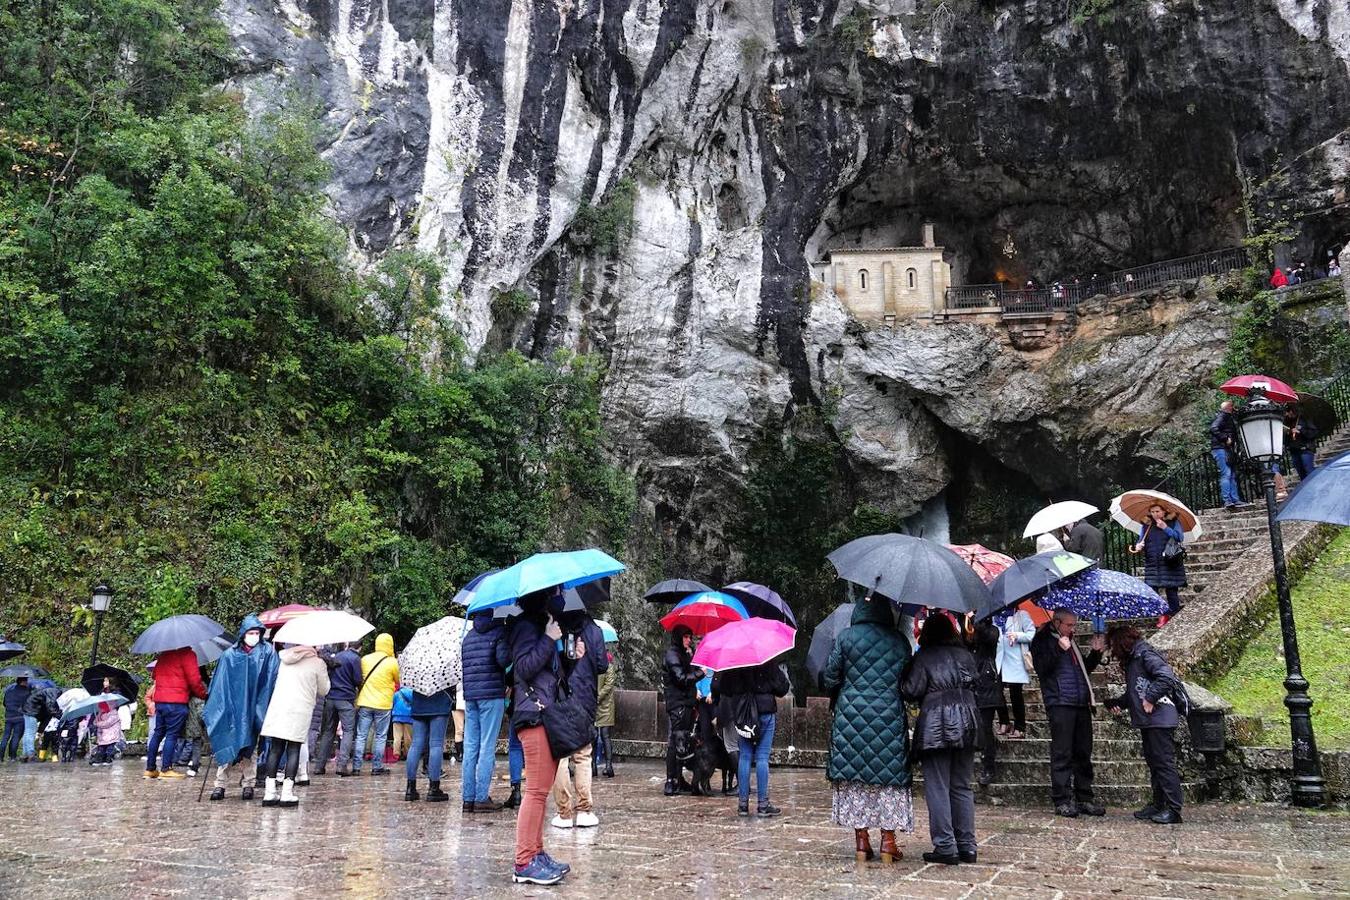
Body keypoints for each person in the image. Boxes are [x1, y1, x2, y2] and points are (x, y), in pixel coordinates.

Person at [822, 595, 914, 864]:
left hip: (850, 716)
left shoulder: (846, 638)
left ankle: (861, 842)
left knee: (855, 777)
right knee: (889, 779)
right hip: (888, 718)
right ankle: (888, 842)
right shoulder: (899, 641)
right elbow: (907, 682)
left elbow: (830, 676)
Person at [900, 613, 980, 865]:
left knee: (938, 786)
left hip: (936, 723)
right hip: (967, 721)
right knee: (962, 785)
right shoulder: (966, 655)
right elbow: (974, 683)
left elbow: (911, 691)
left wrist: (904, 670)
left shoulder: (924, 656)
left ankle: (945, 846)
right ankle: (967, 846)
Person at [508, 590, 569, 886]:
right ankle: (524, 861)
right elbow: (523, 668)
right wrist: (547, 638)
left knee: (540, 791)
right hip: (531, 714)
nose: (562, 595)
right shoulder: (524, 627)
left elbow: (548, 673)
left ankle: (537, 852)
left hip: (545, 713)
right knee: (534, 791)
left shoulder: (541, 624)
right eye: (558, 591)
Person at [1104, 625, 1185, 825]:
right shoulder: (1134, 658)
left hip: (1160, 719)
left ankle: (1174, 809)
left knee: (1164, 764)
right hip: (1150, 721)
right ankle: (1159, 804)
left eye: (1114, 646)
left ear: (1122, 642)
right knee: (1155, 764)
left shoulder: (1145, 655)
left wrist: (1150, 698)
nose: (1113, 651)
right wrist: (1119, 703)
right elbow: (1135, 692)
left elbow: (1167, 677)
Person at [1031, 609, 1106, 818]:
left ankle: (1084, 797)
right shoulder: (1042, 641)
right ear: (1056, 622)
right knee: (1062, 752)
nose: (1072, 629)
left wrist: (1096, 653)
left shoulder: (1070, 641)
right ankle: (1062, 798)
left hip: (1080, 701)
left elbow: (1083, 670)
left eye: (1074, 625)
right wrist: (1057, 649)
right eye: (1069, 625)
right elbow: (1042, 669)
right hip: (1060, 701)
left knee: (1083, 751)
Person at [205, 614, 280, 802]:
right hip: (232, 710)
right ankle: (220, 785)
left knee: (250, 748)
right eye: (251, 632)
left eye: (257, 632)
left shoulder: (267, 654)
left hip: (255, 709)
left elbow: (271, 681)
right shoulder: (230, 655)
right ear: (243, 633)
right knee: (228, 745)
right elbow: (220, 684)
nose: (254, 635)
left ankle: (249, 784)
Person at [551, 601, 608, 829]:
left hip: (560, 695)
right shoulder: (594, 630)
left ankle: (564, 813)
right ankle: (584, 811)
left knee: (561, 755)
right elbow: (602, 665)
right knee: (583, 754)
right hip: (586, 697)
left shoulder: (555, 626)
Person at [717, 657, 790, 818]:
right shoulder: (767, 659)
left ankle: (743, 805)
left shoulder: (736, 659)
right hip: (765, 711)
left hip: (744, 713)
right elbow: (783, 688)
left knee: (745, 756)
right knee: (762, 757)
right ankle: (763, 805)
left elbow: (723, 687)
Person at [259, 643, 329, 808]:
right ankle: (287, 793)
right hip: (299, 710)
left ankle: (269, 793)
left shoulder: (284, 658)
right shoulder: (317, 663)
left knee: (275, 749)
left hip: (278, 708)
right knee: (293, 749)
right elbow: (324, 690)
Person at [461, 609, 511, 812]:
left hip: (471, 696)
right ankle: (482, 797)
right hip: (491, 695)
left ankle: (468, 798)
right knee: (487, 746)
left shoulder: (468, 637)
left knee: (470, 746)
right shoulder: (498, 632)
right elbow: (503, 660)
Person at [145, 645, 208, 779]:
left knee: (158, 733)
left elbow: (155, 674)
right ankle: (166, 769)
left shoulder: (164, 654)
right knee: (172, 735)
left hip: (160, 701)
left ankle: (150, 769)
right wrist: (203, 694)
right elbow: (195, 680)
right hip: (177, 701)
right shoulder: (188, 655)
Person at [661, 624, 704, 796]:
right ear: (679, 637)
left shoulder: (684, 653)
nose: (689, 640)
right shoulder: (672, 655)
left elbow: (688, 674)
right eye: (686, 637)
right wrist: (701, 673)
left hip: (686, 703)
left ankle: (679, 779)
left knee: (684, 741)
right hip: (677, 704)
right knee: (674, 742)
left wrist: (691, 660)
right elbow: (681, 678)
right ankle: (670, 780)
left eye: (690, 637)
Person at [1133, 504, 1187, 627]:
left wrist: (1165, 528)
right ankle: (1161, 615)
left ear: (1164, 511)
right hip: (1153, 562)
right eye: (1152, 511)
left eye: (1157, 511)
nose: (1155, 514)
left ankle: (1174, 614)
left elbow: (1179, 537)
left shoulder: (1173, 522)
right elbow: (1141, 540)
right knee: (1153, 590)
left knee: (1171, 590)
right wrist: (1138, 546)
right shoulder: (1147, 525)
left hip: (1170, 561)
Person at [353, 633, 400, 776]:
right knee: (380, 736)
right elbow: (398, 680)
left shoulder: (365, 659)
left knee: (361, 735)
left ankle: (356, 767)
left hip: (365, 702)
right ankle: (377, 767)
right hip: (383, 704)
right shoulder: (392, 662)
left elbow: (360, 678)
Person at [316, 642, 362, 776]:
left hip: (331, 698)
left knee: (328, 731)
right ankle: (342, 765)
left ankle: (319, 766)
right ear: (360, 647)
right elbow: (357, 680)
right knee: (348, 731)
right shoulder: (355, 659)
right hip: (345, 699)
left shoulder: (336, 656)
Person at [404, 686, 452, 802]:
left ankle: (410, 788)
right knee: (436, 744)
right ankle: (434, 788)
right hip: (439, 703)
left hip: (419, 704)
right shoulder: (443, 667)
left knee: (416, 744)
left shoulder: (416, 667)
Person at [972, 622, 1004, 786]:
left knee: (985, 726)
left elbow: (988, 639)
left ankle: (988, 766)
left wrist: (974, 622)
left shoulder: (992, 630)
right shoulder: (967, 625)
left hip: (987, 682)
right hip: (972, 676)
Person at [996, 606, 1035, 739]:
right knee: (997, 691)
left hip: (1015, 660)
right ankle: (1004, 721)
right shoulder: (994, 617)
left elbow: (1031, 634)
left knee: (1015, 694)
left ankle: (1020, 726)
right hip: (999, 659)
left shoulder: (1021, 615)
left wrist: (1017, 635)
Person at [1208, 400, 1243, 509]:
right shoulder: (1223, 416)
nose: (1234, 409)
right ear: (1229, 408)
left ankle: (1234, 499)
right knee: (1227, 474)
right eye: (1232, 407)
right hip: (1221, 448)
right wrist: (1225, 438)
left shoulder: (1226, 416)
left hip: (1225, 449)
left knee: (1231, 474)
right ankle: (1228, 500)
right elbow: (1214, 428)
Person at [593, 639, 617, 778]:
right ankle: (598, 766)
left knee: (602, 735)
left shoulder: (603, 664)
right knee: (598, 736)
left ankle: (605, 766)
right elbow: (607, 684)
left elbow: (608, 685)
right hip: (601, 705)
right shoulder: (601, 664)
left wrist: (596, 697)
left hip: (602, 705)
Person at [3, 676, 32, 761]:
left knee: (5, 737)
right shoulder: (26, 692)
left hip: (8, 717)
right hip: (19, 717)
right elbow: (28, 704)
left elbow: (4, 703)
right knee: (16, 737)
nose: (27, 683)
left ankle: (1, 757)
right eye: (26, 681)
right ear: (22, 682)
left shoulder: (8, 691)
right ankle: (12, 757)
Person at [1286, 408, 1320, 481]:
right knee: (1301, 473)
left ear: (1291, 411)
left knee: (1308, 469)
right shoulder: (1289, 422)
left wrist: (1301, 430)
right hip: (1294, 450)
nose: (1287, 415)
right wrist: (1289, 432)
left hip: (1305, 449)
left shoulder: (1304, 420)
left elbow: (1313, 433)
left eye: (1287, 412)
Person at [391, 687, 413, 761]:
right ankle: (407, 754)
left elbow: (393, 703)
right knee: (408, 737)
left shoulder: (397, 694)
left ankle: (396, 754)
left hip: (397, 716)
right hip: (409, 717)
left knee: (397, 737)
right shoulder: (412, 693)